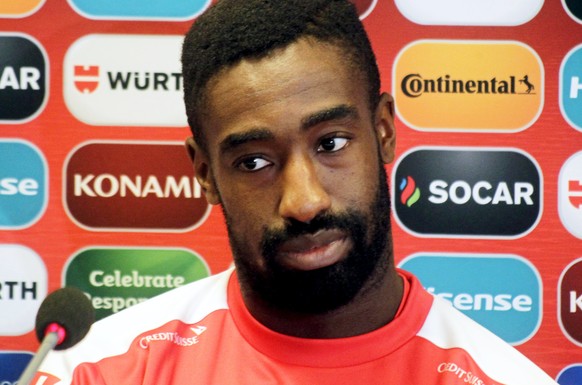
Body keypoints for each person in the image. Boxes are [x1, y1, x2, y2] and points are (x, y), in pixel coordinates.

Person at [36, 1, 558, 384]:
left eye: (330, 143)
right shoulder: (94, 372)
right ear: (205, 173)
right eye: (255, 162)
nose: (304, 202)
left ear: (383, 132)